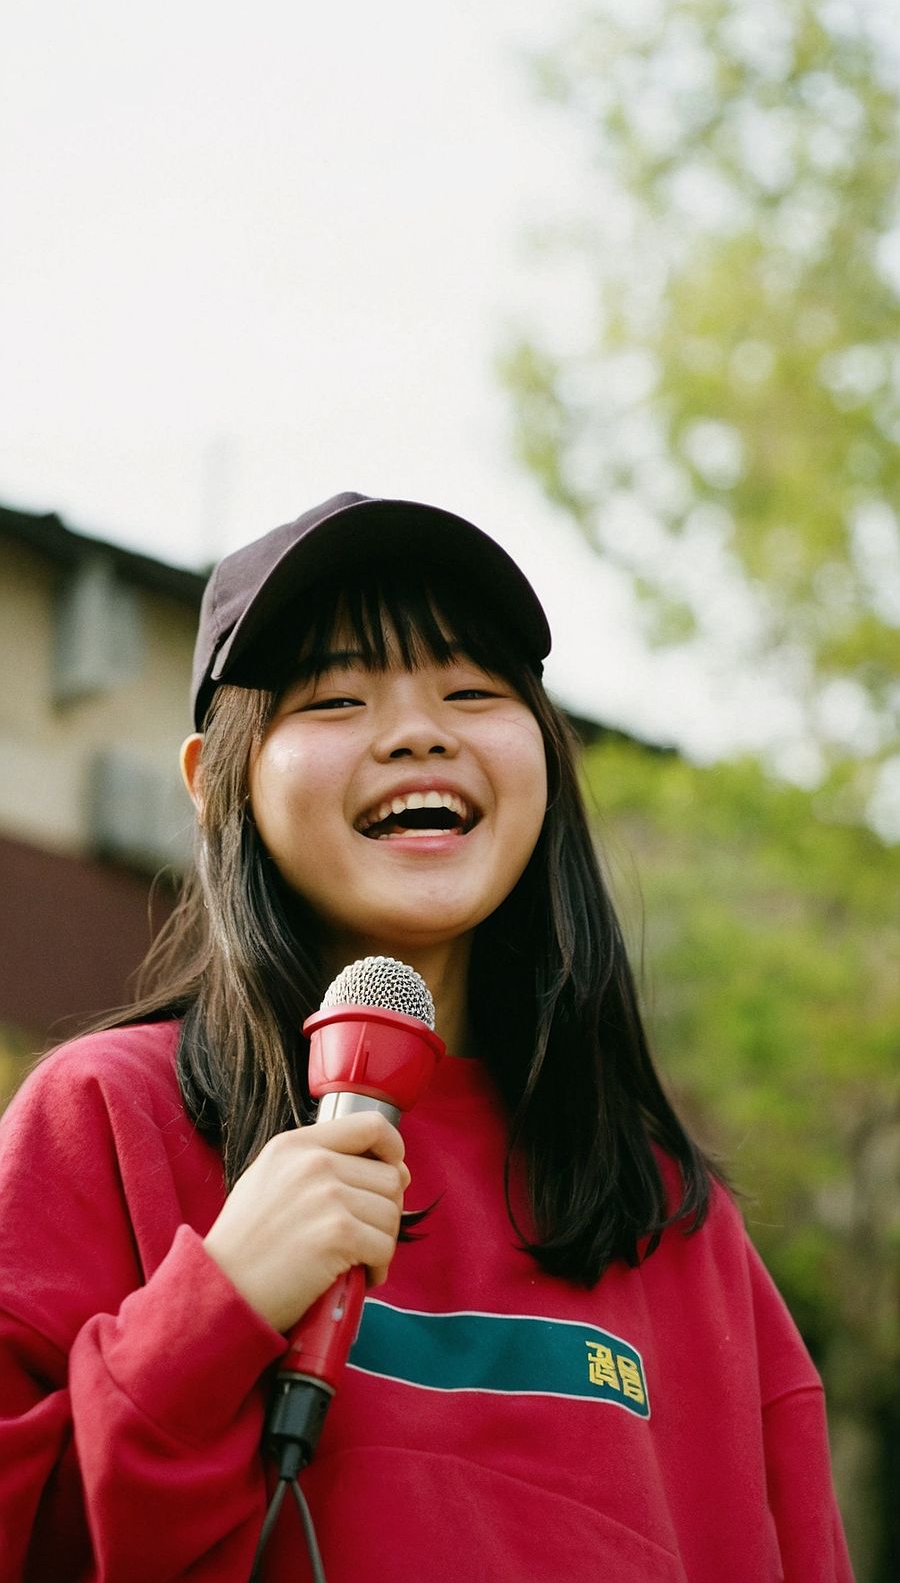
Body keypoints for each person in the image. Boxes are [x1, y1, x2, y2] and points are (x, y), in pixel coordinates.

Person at [0, 491, 852, 1582]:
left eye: (471, 689)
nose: (418, 731)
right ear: (215, 782)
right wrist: (215, 1309)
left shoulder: (672, 1219)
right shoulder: (103, 1118)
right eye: (338, 696)